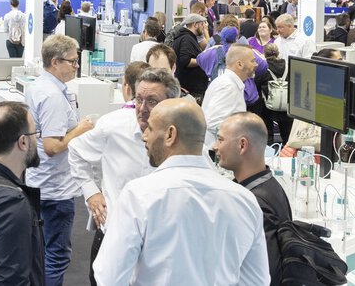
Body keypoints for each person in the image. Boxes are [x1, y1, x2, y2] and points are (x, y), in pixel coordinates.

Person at [93, 99, 269, 285]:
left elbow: (109, 277)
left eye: (150, 129)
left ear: (170, 134)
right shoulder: (245, 200)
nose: (144, 136)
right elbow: (257, 280)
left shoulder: (139, 195)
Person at [69, 67, 180, 285]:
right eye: (139, 99)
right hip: (112, 235)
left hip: (160, 243)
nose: (142, 109)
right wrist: (91, 193)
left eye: (152, 101)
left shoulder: (183, 137)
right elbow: (75, 150)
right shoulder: (114, 126)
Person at [25, 34, 95, 286]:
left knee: (42, 252)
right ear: (55, 62)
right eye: (72, 61)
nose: (76, 66)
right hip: (55, 188)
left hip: (40, 181)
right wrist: (81, 129)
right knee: (56, 256)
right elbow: (54, 146)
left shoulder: (39, 87)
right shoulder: (53, 97)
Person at [213, 112, 292, 286]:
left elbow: (268, 273)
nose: (214, 146)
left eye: (220, 139)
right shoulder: (270, 186)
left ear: (242, 145)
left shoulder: (254, 203)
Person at [0, 101, 45, 284]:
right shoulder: (11, 205)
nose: (37, 140)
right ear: (23, 141)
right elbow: (11, 280)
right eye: (35, 134)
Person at [201, 44, 256, 151]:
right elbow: (213, 123)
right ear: (239, 64)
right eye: (252, 61)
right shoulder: (228, 86)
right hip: (219, 153)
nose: (256, 64)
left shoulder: (228, 83)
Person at [172, 13, 209, 99]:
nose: (204, 27)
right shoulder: (186, 39)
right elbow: (185, 60)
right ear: (195, 25)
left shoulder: (187, 37)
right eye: (202, 24)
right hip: (191, 90)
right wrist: (203, 60)